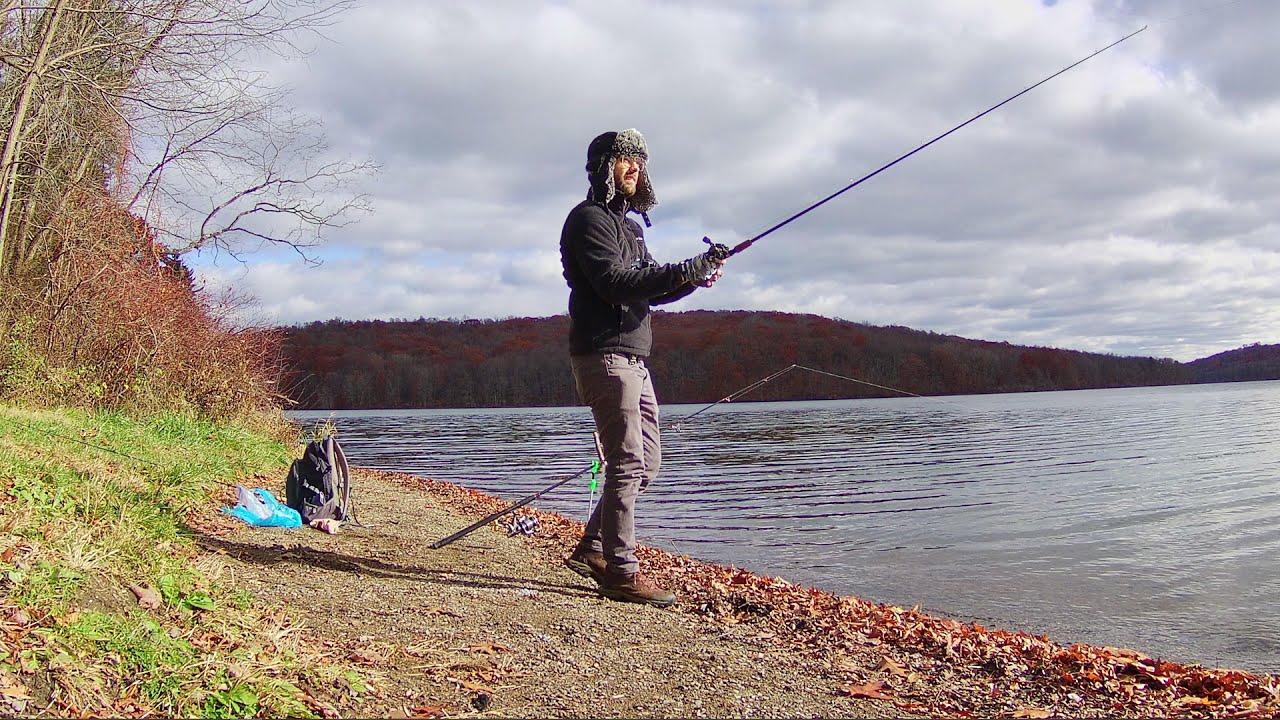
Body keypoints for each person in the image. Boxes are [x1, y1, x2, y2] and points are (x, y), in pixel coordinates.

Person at [558, 128, 727, 608]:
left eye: (640, 159)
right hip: (603, 355)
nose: (635, 166)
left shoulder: (630, 228)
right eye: (624, 158)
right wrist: (685, 268)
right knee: (628, 460)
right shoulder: (587, 220)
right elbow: (614, 283)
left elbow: (649, 286)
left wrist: (695, 276)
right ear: (602, 167)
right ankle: (620, 570)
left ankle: (592, 548)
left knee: (646, 461)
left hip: (634, 358)